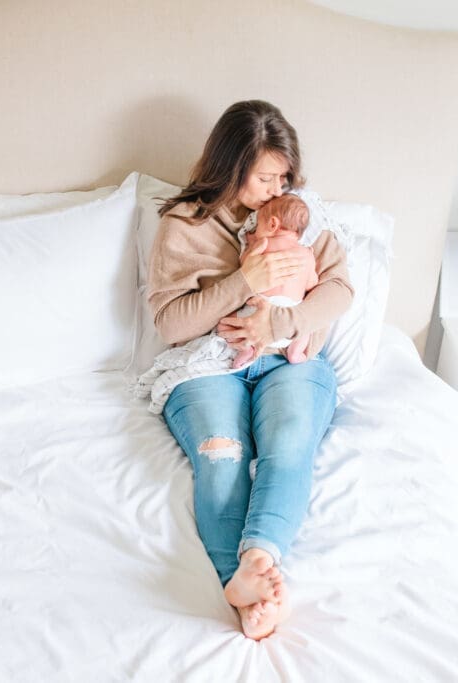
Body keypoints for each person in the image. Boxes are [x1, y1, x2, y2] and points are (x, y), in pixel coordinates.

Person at [148, 100, 353, 640]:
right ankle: (242, 589)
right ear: (232, 166)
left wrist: (282, 322)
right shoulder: (184, 224)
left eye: (283, 175)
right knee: (223, 455)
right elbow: (170, 324)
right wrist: (246, 278)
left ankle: (258, 559)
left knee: (288, 444)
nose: (275, 188)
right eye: (264, 177)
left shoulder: (300, 216)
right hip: (206, 365)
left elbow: (338, 289)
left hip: (287, 357)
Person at [231, 193, 318, 369]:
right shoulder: (307, 254)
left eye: (258, 225)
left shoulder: (263, 243)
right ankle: (295, 352)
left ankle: (246, 349)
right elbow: (311, 284)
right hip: (290, 320)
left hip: (257, 311)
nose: (256, 230)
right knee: (307, 327)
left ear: (272, 224)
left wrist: (251, 243)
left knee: (228, 320)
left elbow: (245, 267)